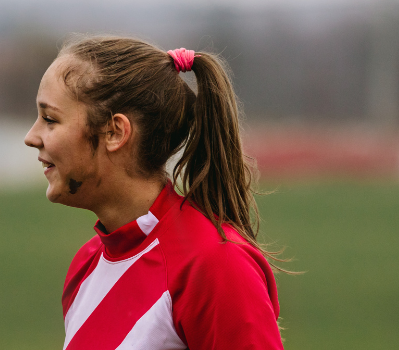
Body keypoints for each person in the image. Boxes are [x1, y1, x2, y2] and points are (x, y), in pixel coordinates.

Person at [24, 35, 286, 350]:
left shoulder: (215, 265)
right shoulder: (88, 262)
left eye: (50, 119)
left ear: (114, 132)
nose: (31, 136)